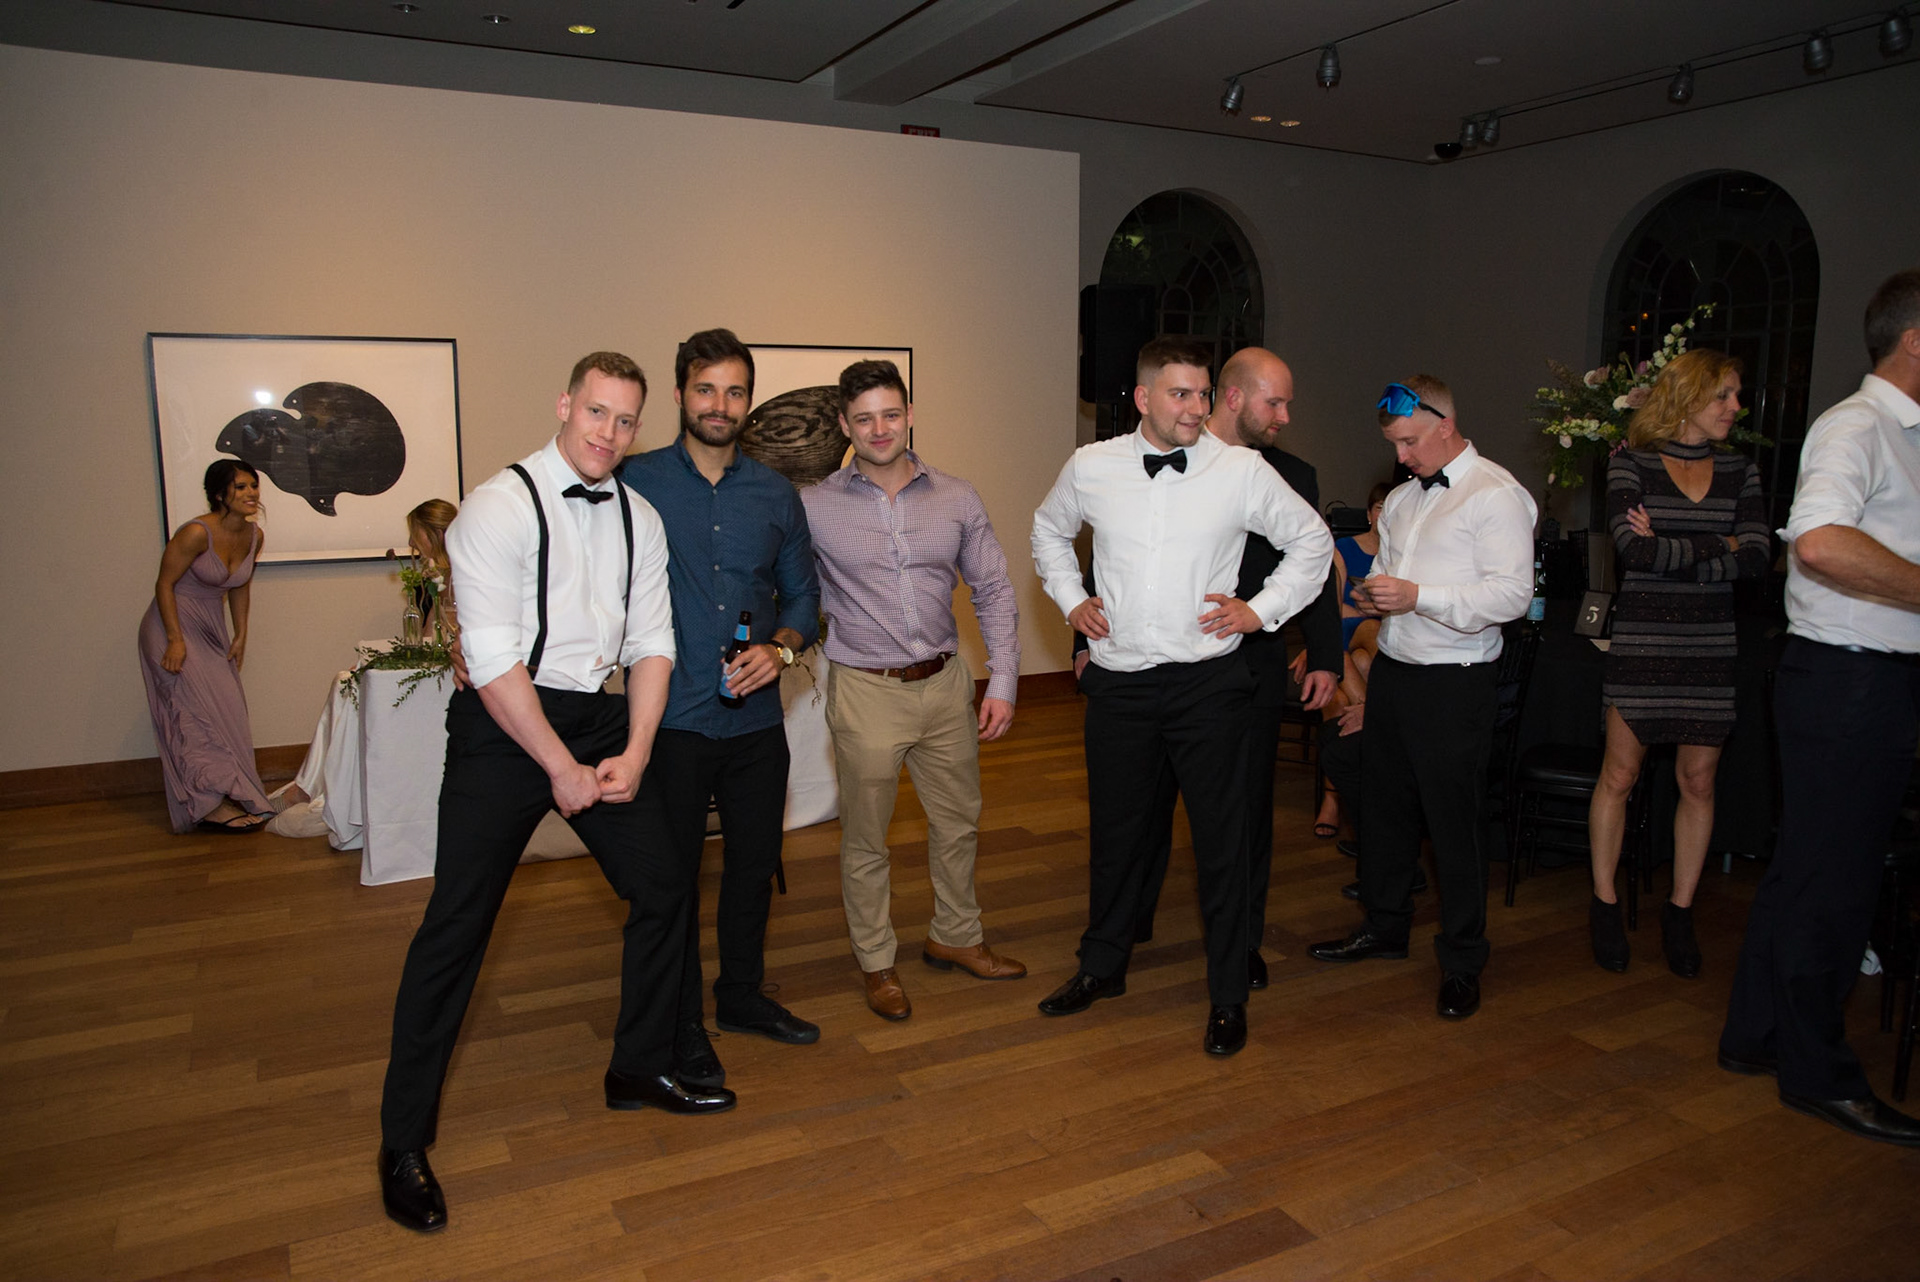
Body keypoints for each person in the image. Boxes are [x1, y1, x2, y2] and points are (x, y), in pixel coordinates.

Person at [377, 352, 729, 1237]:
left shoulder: (642, 518)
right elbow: (492, 657)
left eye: (625, 420)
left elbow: (654, 642)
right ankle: (402, 1142)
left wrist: (636, 751)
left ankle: (637, 1064)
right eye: (596, 412)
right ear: (565, 405)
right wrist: (558, 769)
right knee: (457, 924)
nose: (608, 433)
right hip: (504, 726)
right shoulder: (497, 506)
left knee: (664, 884)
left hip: (597, 715)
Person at [1031, 336, 1333, 1056]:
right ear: (1143, 398)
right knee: (1117, 837)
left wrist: (1261, 610)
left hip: (1208, 686)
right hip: (1120, 686)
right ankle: (1102, 967)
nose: (1196, 407)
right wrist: (1071, 599)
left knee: (1222, 845)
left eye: (1202, 394)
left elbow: (1313, 543)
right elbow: (1047, 531)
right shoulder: (1092, 465)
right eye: (1180, 394)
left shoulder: (1241, 471)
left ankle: (1228, 995)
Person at [1719, 269, 1920, 1148]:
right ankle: (1819, 1073)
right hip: (1849, 680)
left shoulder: (1899, 434)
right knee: (1836, 884)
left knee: (1806, 870)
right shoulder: (1858, 427)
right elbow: (1824, 543)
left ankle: (1756, 1035)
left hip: (1860, 678)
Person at [618, 328, 822, 1088]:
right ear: (680, 395)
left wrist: (782, 649)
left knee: (753, 867)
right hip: (668, 722)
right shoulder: (633, 482)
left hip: (754, 722)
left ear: (748, 402)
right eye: (706, 389)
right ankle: (680, 1025)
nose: (720, 404)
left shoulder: (775, 494)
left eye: (735, 392)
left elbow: (804, 597)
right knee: (670, 881)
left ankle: (740, 995)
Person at [1307, 377, 1536, 1023]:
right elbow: (1392, 579)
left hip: (1456, 682)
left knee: (1454, 826)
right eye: (1394, 443)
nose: (1401, 456)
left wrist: (1418, 597)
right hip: (1396, 673)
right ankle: (1384, 926)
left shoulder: (1495, 494)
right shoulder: (1405, 499)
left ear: (1446, 423)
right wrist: (1374, 593)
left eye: (1409, 441)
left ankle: (1463, 961)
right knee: (1385, 812)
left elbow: (1512, 596)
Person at [802, 360, 1025, 1021]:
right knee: (866, 838)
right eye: (863, 418)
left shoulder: (957, 497)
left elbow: (993, 588)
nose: (879, 429)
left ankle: (955, 935)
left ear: (909, 416)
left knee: (958, 823)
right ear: (845, 425)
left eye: (890, 414)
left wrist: (1004, 679)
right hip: (865, 690)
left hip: (946, 685)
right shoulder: (813, 506)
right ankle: (877, 961)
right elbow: (791, 589)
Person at [1587, 349, 1770, 977]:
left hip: (1710, 644)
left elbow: (1757, 558)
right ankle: (1604, 904)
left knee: (1698, 783)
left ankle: (1680, 912)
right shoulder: (1630, 464)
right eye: (1724, 394)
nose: (1735, 407)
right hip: (1643, 640)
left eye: (1736, 394)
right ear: (1688, 396)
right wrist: (1719, 543)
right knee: (1619, 776)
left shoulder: (1741, 471)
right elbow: (1632, 554)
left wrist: (1673, 547)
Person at [270, 498, 462, 839]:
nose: (411, 542)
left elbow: (454, 634)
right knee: (345, 681)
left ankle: (317, 791)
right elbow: (428, 632)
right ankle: (317, 785)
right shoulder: (434, 575)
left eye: (415, 533)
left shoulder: (465, 572)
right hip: (435, 660)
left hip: (453, 671)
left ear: (432, 533)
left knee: (351, 684)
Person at [137, 458, 273, 833]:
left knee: (228, 710)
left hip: (210, 627)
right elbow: (164, 584)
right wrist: (175, 640)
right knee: (193, 713)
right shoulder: (196, 533)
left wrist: (241, 633)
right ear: (219, 494)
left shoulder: (255, 536)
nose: (251, 493)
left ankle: (230, 790)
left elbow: (240, 585)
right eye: (241, 487)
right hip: (170, 626)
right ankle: (208, 804)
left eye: (254, 485)